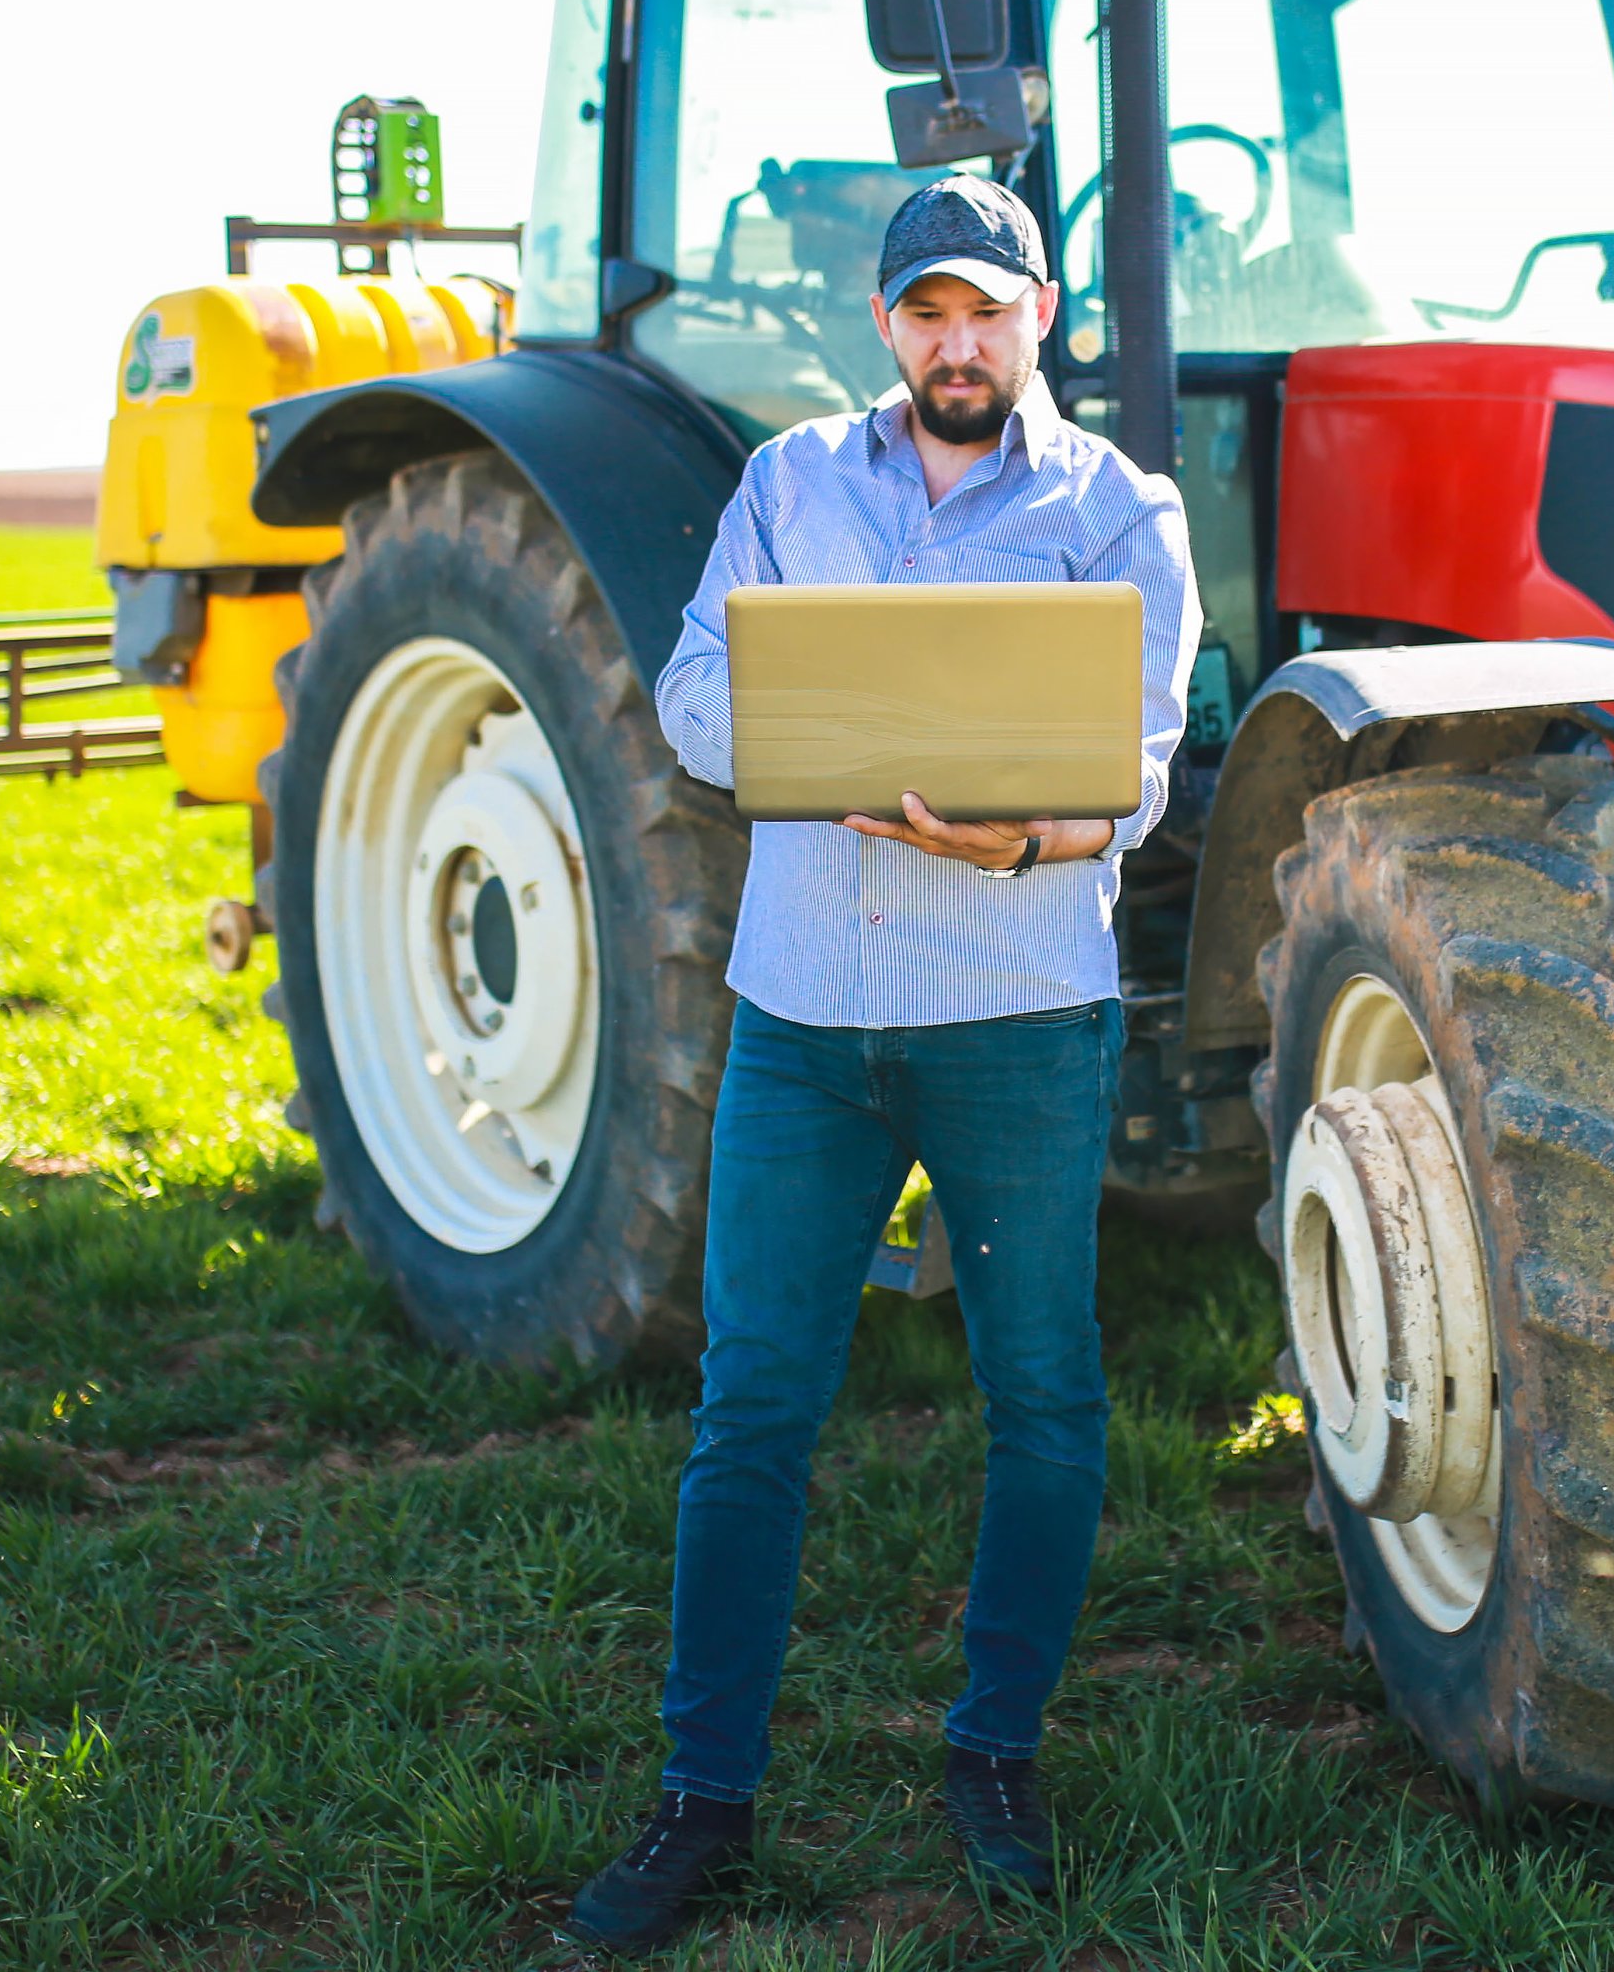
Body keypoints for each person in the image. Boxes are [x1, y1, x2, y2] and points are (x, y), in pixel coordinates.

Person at [570, 175, 1199, 1952]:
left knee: (1046, 1399)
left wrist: (1027, 839)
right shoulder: (786, 487)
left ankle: (995, 1752)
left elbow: (1138, 768)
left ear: (1043, 316)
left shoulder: (1115, 510)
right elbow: (693, 698)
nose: (957, 342)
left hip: (1014, 1016)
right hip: (805, 1019)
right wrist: (823, 753)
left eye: (987, 310)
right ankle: (704, 1797)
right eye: (927, 312)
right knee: (753, 1404)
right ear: (886, 327)